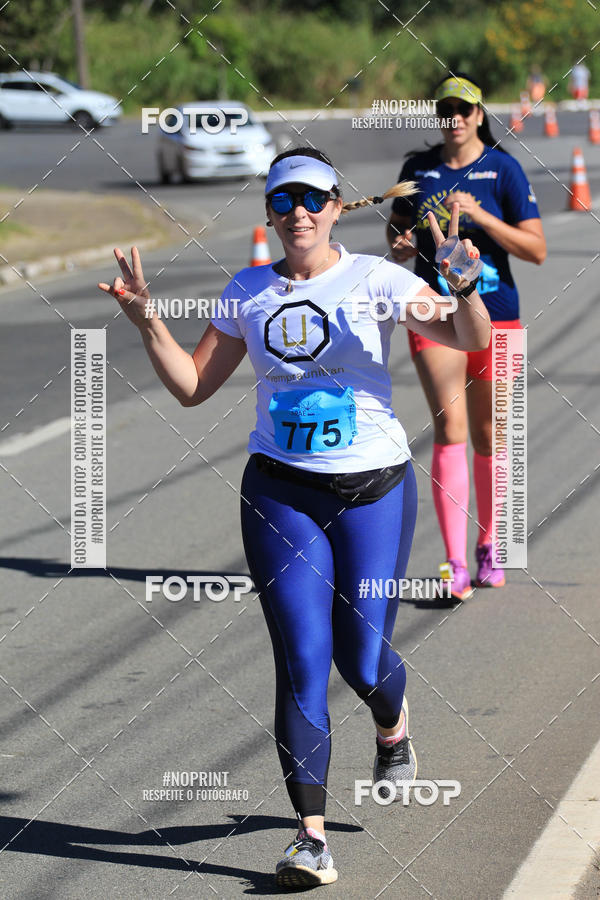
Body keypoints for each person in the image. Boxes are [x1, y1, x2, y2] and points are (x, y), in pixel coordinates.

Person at [99, 147, 490, 888]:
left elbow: (468, 337)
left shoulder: (378, 278)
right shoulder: (247, 290)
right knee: (303, 662)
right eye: (283, 201)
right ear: (270, 214)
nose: (298, 212)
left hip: (373, 491)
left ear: (337, 206)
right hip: (280, 494)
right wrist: (147, 321)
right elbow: (191, 387)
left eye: (312, 198)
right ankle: (309, 838)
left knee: (364, 661)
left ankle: (393, 728)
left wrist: (466, 290)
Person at [386, 73, 546, 601]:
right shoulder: (418, 170)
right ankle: (454, 562)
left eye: (463, 109)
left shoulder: (503, 169)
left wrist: (481, 217)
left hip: (497, 315)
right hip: (435, 315)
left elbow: (536, 249)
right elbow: (396, 232)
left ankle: (489, 545)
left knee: (490, 434)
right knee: (449, 427)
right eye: (445, 110)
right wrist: (402, 245)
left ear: (479, 115)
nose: (454, 118)